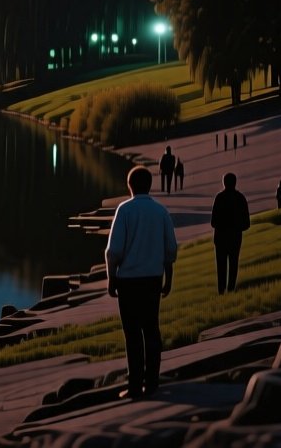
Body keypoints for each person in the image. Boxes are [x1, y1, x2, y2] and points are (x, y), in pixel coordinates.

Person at [105, 167, 177, 399]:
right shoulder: (161, 212)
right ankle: (152, 382)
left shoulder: (124, 210)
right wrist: (168, 278)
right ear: (150, 185)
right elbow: (170, 250)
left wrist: (111, 278)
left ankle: (135, 385)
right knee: (152, 330)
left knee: (132, 334)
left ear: (130, 186)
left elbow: (113, 251)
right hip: (152, 280)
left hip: (128, 282)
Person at [210, 173, 251, 294]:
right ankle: (231, 290)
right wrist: (236, 228)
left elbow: (213, 222)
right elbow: (247, 223)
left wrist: (223, 226)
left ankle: (221, 291)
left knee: (221, 266)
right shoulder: (240, 198)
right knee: (233, 265)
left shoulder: (219, 198)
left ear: (224, 183)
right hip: (235, 238)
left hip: (221, 238)